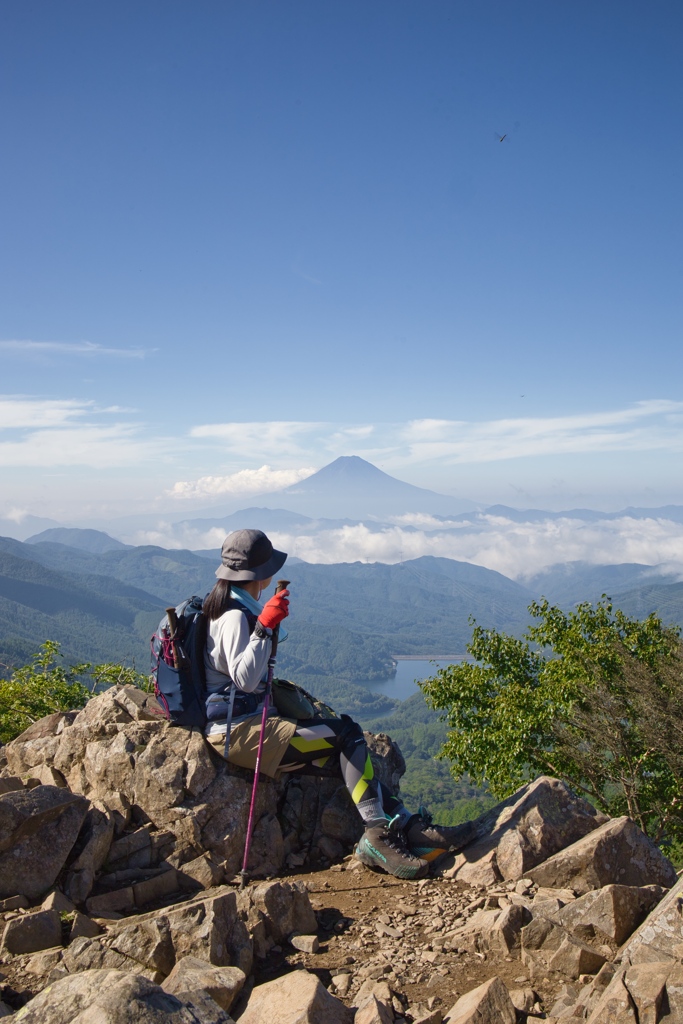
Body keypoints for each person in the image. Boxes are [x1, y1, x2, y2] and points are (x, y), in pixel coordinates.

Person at [203, 528, 472, 879]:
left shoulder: (226, 606)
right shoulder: (236, 617)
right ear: (260, 575)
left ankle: (409, 828)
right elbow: (246, 679)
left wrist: (264, 625)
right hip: (241, 734)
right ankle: (378, 837)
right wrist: (264, 628)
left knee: (347, 752)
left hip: (249, 725)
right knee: (347, 735)